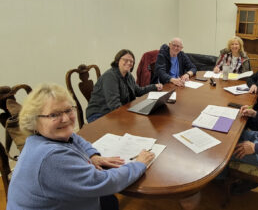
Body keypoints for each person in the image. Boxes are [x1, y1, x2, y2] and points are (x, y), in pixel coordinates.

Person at [6, 83, 155, 210]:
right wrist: (139, 164)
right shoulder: (51, 158)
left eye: (68, 110)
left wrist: (92, 155)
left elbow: (74, 136)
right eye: (54, 115)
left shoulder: (41, 138)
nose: (65, 119)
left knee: (109, 200)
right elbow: (103, 182)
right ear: (34, 122)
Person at [86, 49, 163, 123]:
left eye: (131, 61)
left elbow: (138, 91)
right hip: (99, 114)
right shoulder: (110, 76)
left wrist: (155, 86)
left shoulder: (128, 75)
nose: (129, 63)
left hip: (115, 112)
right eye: (125, 60)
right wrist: (131, 116)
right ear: (118, 60)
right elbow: (114, 105)